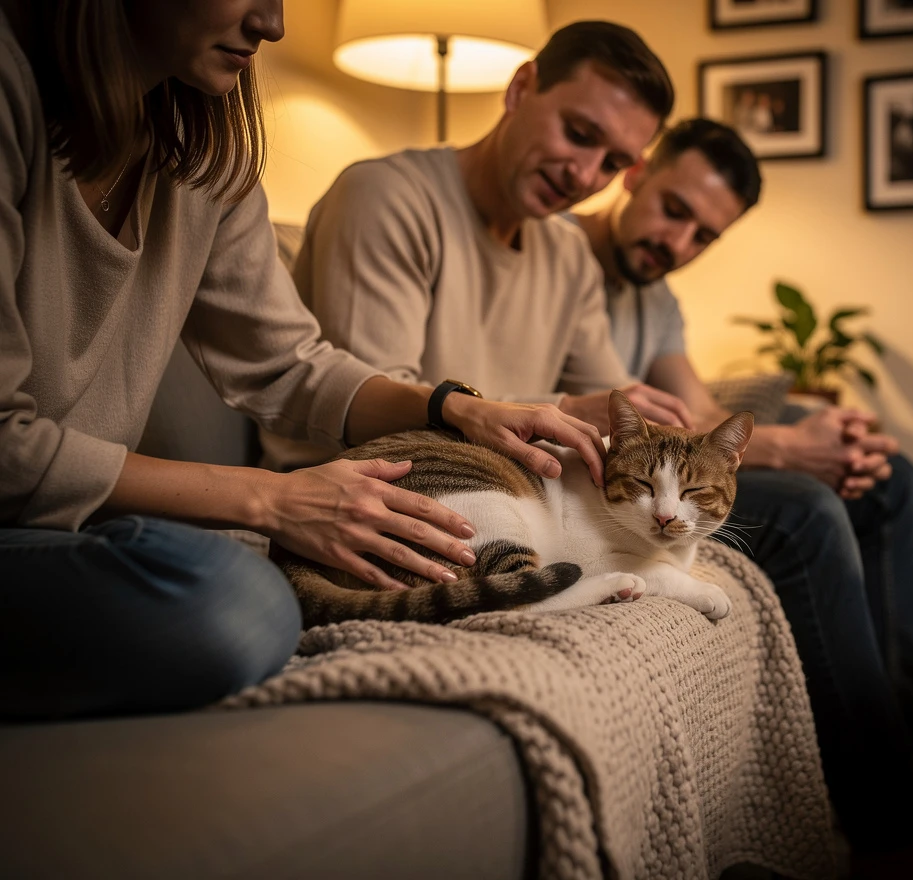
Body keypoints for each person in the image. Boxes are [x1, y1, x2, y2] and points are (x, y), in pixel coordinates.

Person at [0, 0, 609, 722]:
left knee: (242, 572)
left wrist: (457, 406)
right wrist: (271, 499)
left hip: (62, 527)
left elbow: (288, 364)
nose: (275, 23)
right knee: (231, 602)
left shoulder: (203, 151)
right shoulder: (13, 92)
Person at [572, 118, 913, 878]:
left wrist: (824, 438)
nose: (680, 243)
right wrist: (794, 450)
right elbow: (643, 417)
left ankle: (908, 762)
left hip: (677, 464)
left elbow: (696, 411)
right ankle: (891, 834)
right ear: (634, 173)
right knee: (807, 507)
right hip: (618, 482)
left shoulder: (657, 295)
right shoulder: (563, 259)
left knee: (894, 481)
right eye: (675, 210)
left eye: (705, 235)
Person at [260, 19, 694, 472]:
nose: (584, 176)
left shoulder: (569, 254)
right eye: (579, 135)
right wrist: (561, 409)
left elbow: (613, 413)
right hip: (360, 490)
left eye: (612, 164)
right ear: (521, 88)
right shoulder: (385, 196)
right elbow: (374, 422)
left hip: (506, 485)